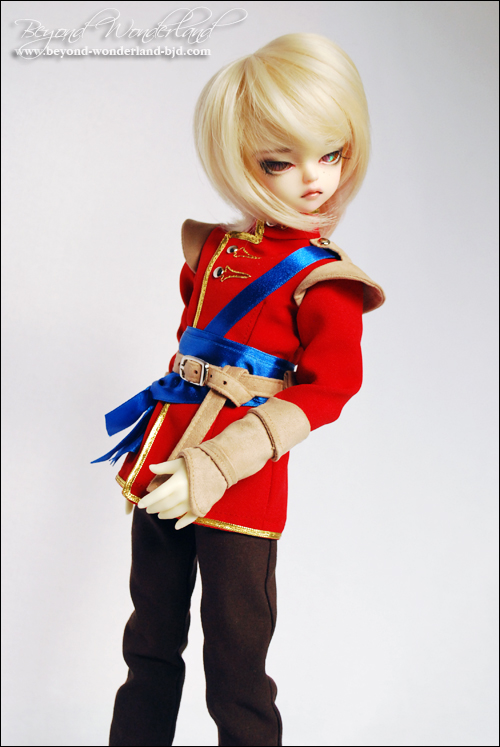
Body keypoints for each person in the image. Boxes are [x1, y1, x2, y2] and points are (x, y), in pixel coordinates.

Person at [95, 32, 385, 747]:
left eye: (331, 153)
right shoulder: (216, 250)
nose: (313, 178)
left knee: (236, 669)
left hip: (241, 482)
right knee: (149, 644)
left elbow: (329, 389)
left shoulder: (326, 280)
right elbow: (192, 346)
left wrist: (219, 463)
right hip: (162, 461)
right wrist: (165, 446)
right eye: (279, 161)